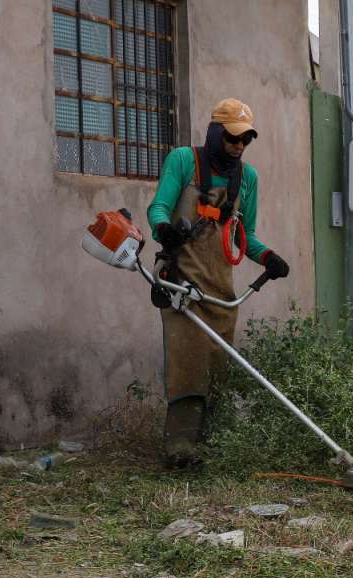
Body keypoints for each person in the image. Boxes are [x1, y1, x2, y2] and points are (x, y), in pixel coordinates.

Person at [146, 98, 290, 467]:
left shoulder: (248, 179)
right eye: (232, 138)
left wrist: (268, 257)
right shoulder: (184, 160)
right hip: (181, 282)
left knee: (216, 367)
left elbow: (246, 236)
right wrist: (164, 230)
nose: (238, 146)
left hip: (221, 289)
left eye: (245, 140)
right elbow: (158, 207)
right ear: (214, 133)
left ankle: (212, 446)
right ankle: (179, 449)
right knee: (188, 362)